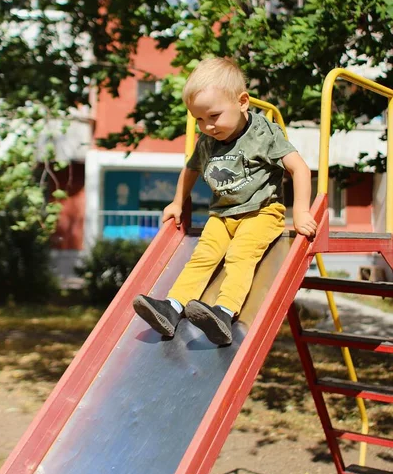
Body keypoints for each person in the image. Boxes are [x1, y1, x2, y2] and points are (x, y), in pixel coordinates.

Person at [133, 57, 317, 345]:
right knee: (203, 257)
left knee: (240, 256)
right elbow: (191, 169)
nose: (207, 126)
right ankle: (172, 307)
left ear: (242, 102)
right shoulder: (207, 141)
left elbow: (300, 168)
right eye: (199, 119)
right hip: (221, 215)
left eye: (214, 116)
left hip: (261, 212)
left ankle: (224, 312)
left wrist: (303, 211)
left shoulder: (262, 133)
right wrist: (177, 202)